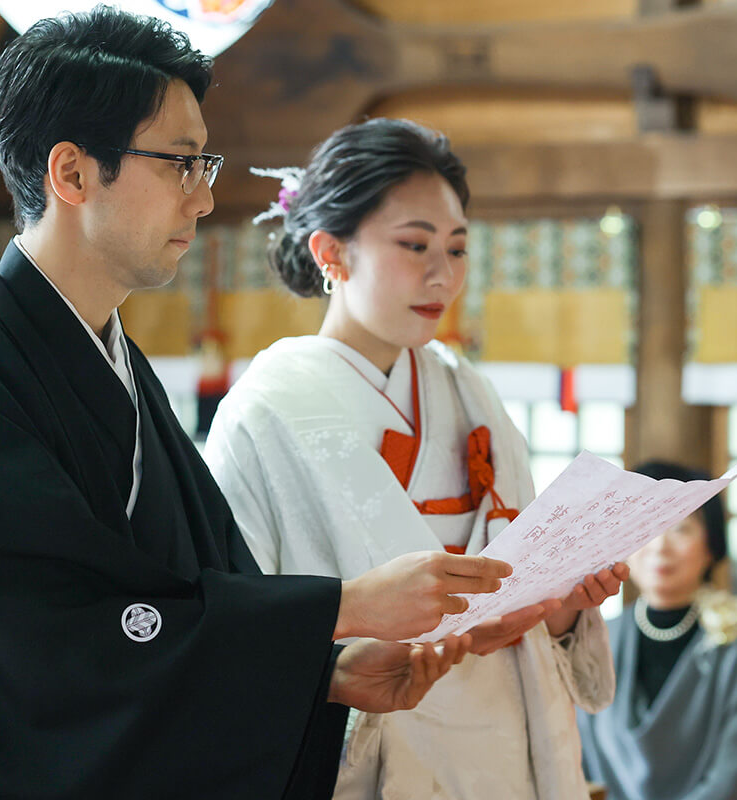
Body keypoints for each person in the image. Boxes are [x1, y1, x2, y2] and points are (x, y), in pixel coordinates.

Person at [0, 10, 516, 799]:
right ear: (73, 174)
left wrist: (324, 672)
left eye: (203, 164)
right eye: (181, 164)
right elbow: (53, 637)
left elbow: (184, 591)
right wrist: (342, 609)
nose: (203, 200)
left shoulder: (119, 365)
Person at [203, 117, 628, 800]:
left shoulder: (468, 389)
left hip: (506, 746)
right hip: (371, 744)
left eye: (457, 248)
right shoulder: (263, 413)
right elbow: (236, 628)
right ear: (331, 253)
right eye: (415, 244)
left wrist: (561, 608)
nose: (443, 275)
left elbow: (522, 578)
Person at [577, 461, 737, 800]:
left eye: (680, 528)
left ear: (711, 545)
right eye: (646, 527)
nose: (660, 546)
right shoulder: (598, 636)